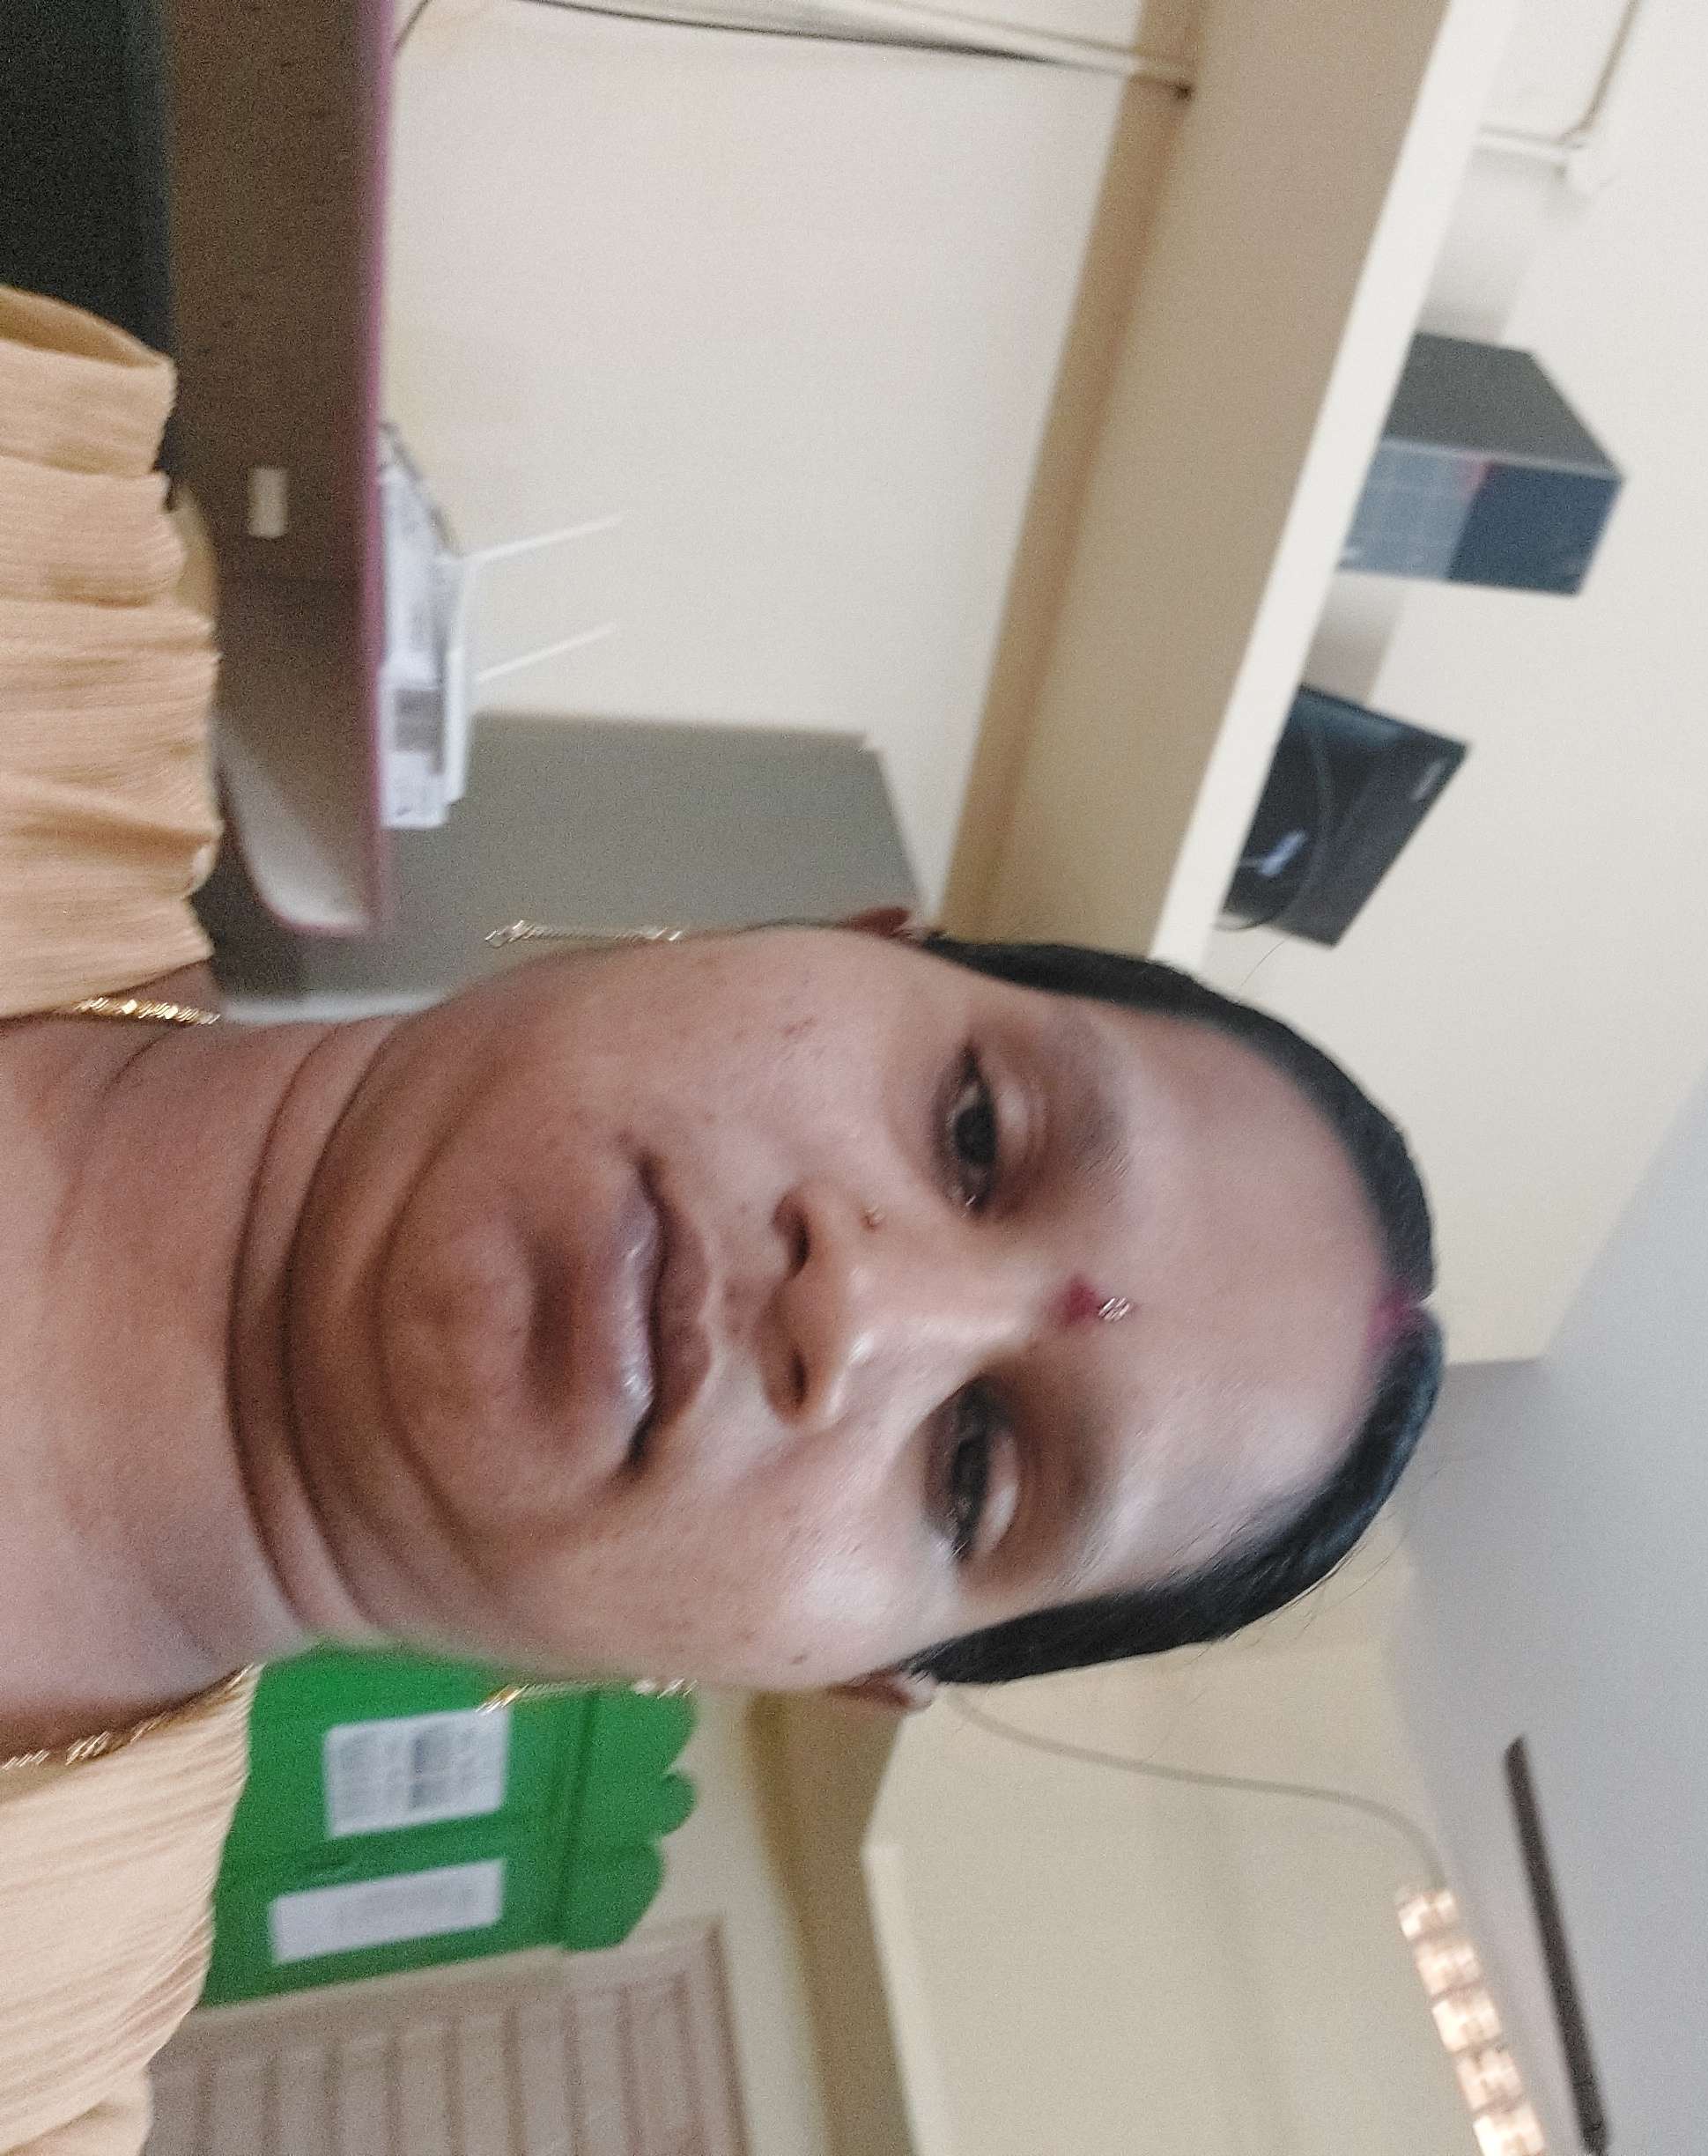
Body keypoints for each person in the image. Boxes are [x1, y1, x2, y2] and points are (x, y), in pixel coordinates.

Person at [0, 284, 1443, 2153]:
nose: (863, 1315)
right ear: (830, 938)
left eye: (976, 1472)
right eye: (978, 1129)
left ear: (843, 1676)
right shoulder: (32, 553)